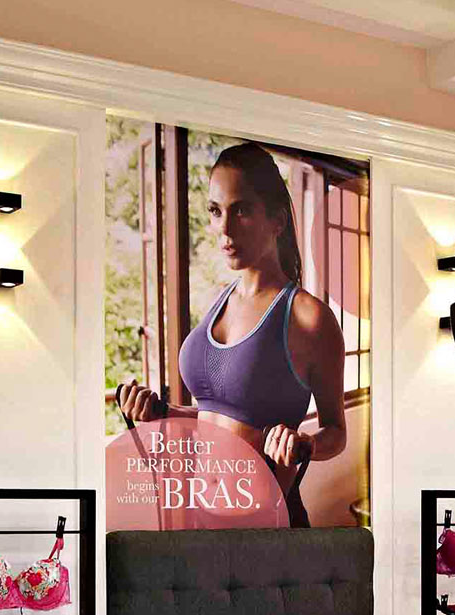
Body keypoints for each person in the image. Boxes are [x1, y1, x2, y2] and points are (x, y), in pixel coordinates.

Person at [114, 142, 347, 528]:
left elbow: (336, 432)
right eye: (215, 210)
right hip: (201, 516)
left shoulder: (308, 317)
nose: (224, 229)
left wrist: (305, 443)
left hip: (268, 526)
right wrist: (160, 412)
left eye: (242, 210)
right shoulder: (218, 301)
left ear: (277, 220)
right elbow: (217, 417)